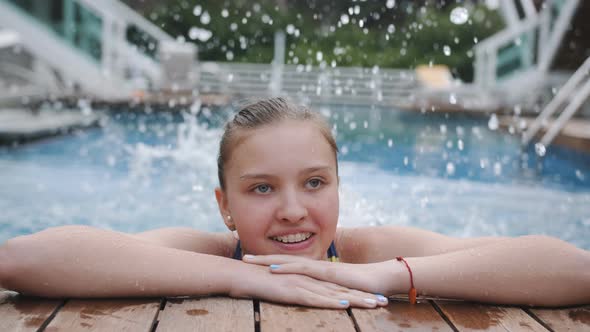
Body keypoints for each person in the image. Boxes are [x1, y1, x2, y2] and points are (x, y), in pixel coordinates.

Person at [0, 97, 588, 308]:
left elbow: (573, 270)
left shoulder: (367, 250)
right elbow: (22, 259)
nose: (292, 210)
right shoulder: (210, 252)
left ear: (339, 187)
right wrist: (238, 281)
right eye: (261, 188)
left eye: (314, 183)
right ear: (224, 206)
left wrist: (380, 275)